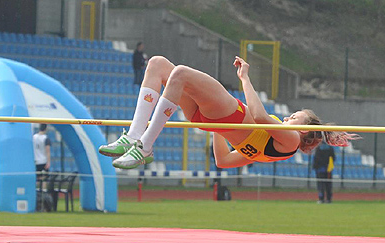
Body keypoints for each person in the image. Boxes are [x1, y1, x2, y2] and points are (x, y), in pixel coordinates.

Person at [99, 55, 357, 169]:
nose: (289, 117)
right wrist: (217, 126)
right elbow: (222, 161)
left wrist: (245, 78)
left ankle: (144, 146)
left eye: (294, 116)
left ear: (304, 129)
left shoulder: (290, 140)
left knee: (180, 73)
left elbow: (257, 116)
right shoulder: (268, 153)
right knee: (158, 65)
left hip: (229, 113)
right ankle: (134, 137)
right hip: (213, 119)